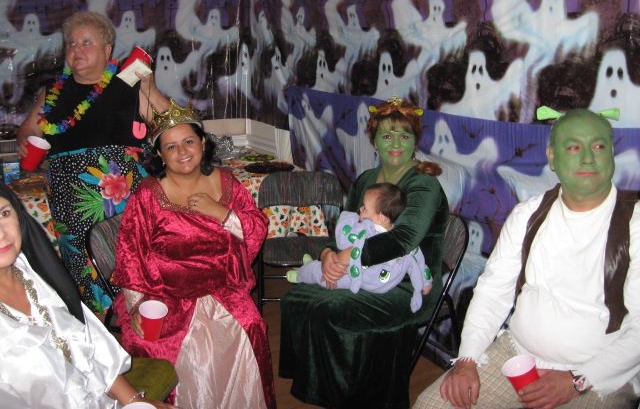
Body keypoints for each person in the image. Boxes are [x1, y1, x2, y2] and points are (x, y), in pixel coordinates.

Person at [414, 108, 640, 409]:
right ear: (552, 157)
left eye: (598, 146)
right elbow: (493, 291)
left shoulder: (634, 222)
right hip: (519, 354)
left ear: (611, 152)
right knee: (432, 405)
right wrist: (467, 360)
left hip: (599, 374)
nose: (588, 157)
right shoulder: (529, 214)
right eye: (573, 147)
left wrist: (578, 379)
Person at [279, 96, 450, 409]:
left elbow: (403, 240)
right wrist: (328, 255)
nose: (395, 143)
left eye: (404, 135)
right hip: (361, 268)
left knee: (328, 310)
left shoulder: (423, 184)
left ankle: (349, 396)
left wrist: (347, 258)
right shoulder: (367, 180)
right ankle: (324, 388)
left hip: (405, 281)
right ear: (374, 140)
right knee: (296, 298)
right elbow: (346, 226)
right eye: (387, 135)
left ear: (415, 140)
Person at [111, 99, 276, 409]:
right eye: (171, 147)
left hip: (222, 287)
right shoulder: (148, 194)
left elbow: (256, 228)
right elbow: (132, 253)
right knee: (159, 343)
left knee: (250, 325)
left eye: (188, 141)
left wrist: (221, 212)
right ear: (160, 154)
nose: (182, 152)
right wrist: (135, 307)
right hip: (165, 293)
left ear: (202, 142)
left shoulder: (226, 181)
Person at [16, 10, 169, 313]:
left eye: (87, 42)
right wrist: (25, 140)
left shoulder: (128, 84)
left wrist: (149, 87)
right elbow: (29, 128)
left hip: (123, 201)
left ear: (107, 50)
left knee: (132, 265)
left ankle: (139, 321)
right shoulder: (53, 91)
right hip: (70, 201)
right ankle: (96, 325)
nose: (77, 49)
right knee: (83, 270)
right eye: (71, 43)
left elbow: (172, 124)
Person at [0, 181, 179, 409]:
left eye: (4, 213)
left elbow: (91, 344)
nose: (1, 233)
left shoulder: (33, 272)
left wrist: (136, 401)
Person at [287, 182, 433, 313]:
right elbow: (417, 259)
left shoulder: (365, 229)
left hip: (362, 278)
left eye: (365, 208)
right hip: (385, 282)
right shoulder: (398, 236)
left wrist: (348, 217)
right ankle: (312, 265)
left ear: (380, 218)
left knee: (320, 273)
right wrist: (425, 282)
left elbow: (342, 243)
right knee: (327, 265)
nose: (360, 209)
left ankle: (300, 275)